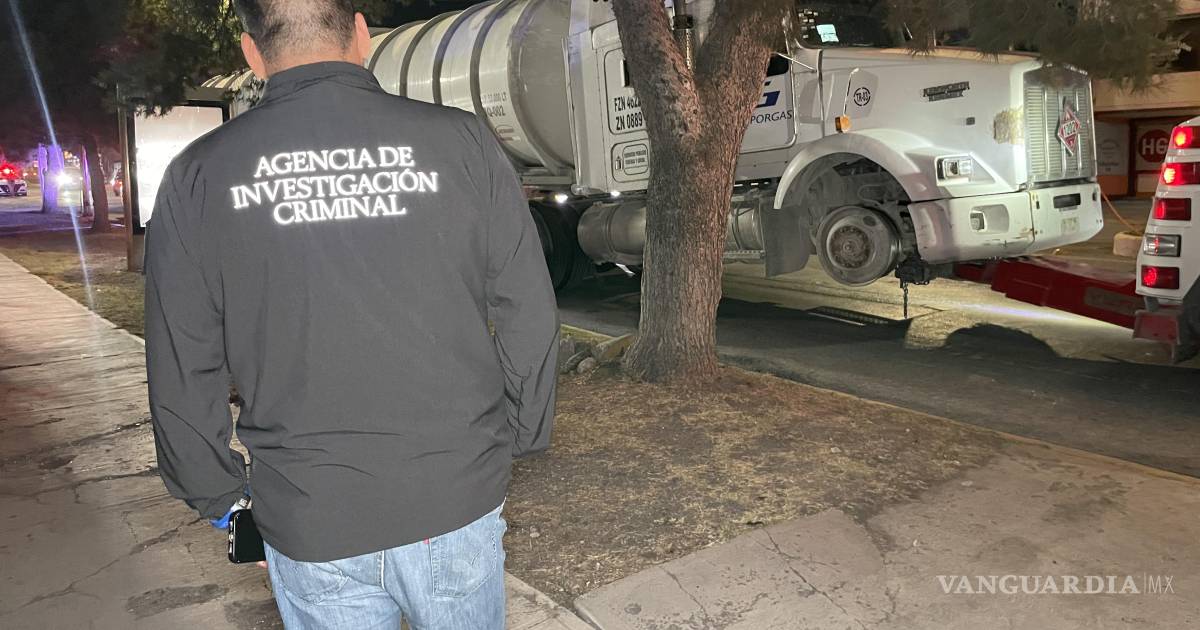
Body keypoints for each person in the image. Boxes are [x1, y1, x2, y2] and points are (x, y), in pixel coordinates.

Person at [143, 0, 560, 627]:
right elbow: (527, 304)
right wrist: (523, 429)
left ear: (252, 53)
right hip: (451, 492)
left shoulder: (198, 174)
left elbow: (180, 358)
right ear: (362, 35)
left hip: (310, 512)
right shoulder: (462, 142)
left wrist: (219, 495)